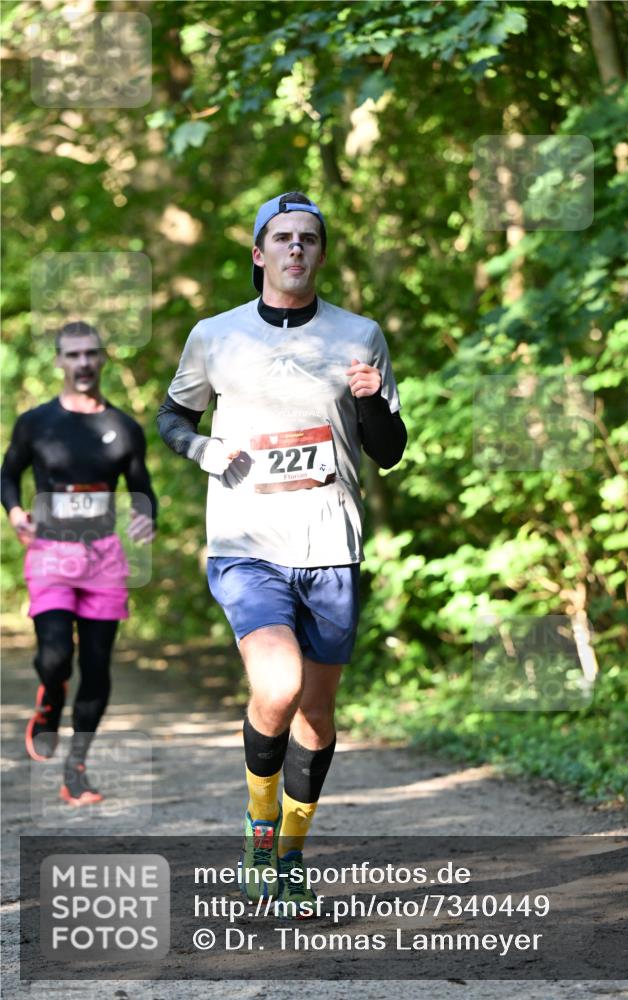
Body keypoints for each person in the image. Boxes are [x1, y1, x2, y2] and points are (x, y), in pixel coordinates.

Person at [158, 191, 407, 915]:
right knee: (278, 686)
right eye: (283, 237)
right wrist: (203, 449)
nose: (296, 247)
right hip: (246, 545)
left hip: (329, 546)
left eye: (309, 238)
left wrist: (370, 399)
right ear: (259, 254)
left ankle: (290, 856)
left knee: (317, 716)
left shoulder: (359, 335)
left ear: (320, 254)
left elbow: (388, 450)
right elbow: (172, 418)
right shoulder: (215, 335)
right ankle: (260, 829)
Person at [1, 321, 157, 805]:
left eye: (91, 353)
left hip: (103, 558)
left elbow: (142, 489)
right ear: (59, 361)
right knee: (54, 658)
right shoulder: (36, 422)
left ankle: (77, 769)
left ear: (103, 358)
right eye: (73, 355)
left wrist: (146, 516)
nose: (83, 363)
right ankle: (50, 699)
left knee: (96, 666)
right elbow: (8, 475)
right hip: (50, 553)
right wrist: (15, 512)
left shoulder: (123, 428)